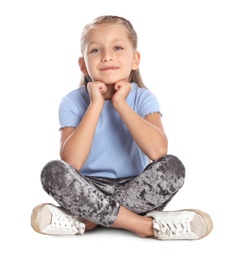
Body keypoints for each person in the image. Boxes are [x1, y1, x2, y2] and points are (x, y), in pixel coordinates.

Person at [31, 15, 213, 240]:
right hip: (88, 189)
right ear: (82, 64)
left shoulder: (143, 98)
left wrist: (120, 103)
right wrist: (96, 104)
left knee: (173, 167)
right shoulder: (71, 102)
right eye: (95, 50)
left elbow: (158, 152)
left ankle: (86, 220)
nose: (107, 56)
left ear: (135, 59)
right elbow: (72, 162)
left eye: (117, 47)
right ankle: (144, 226)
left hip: (135, 187)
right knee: (53, 172)